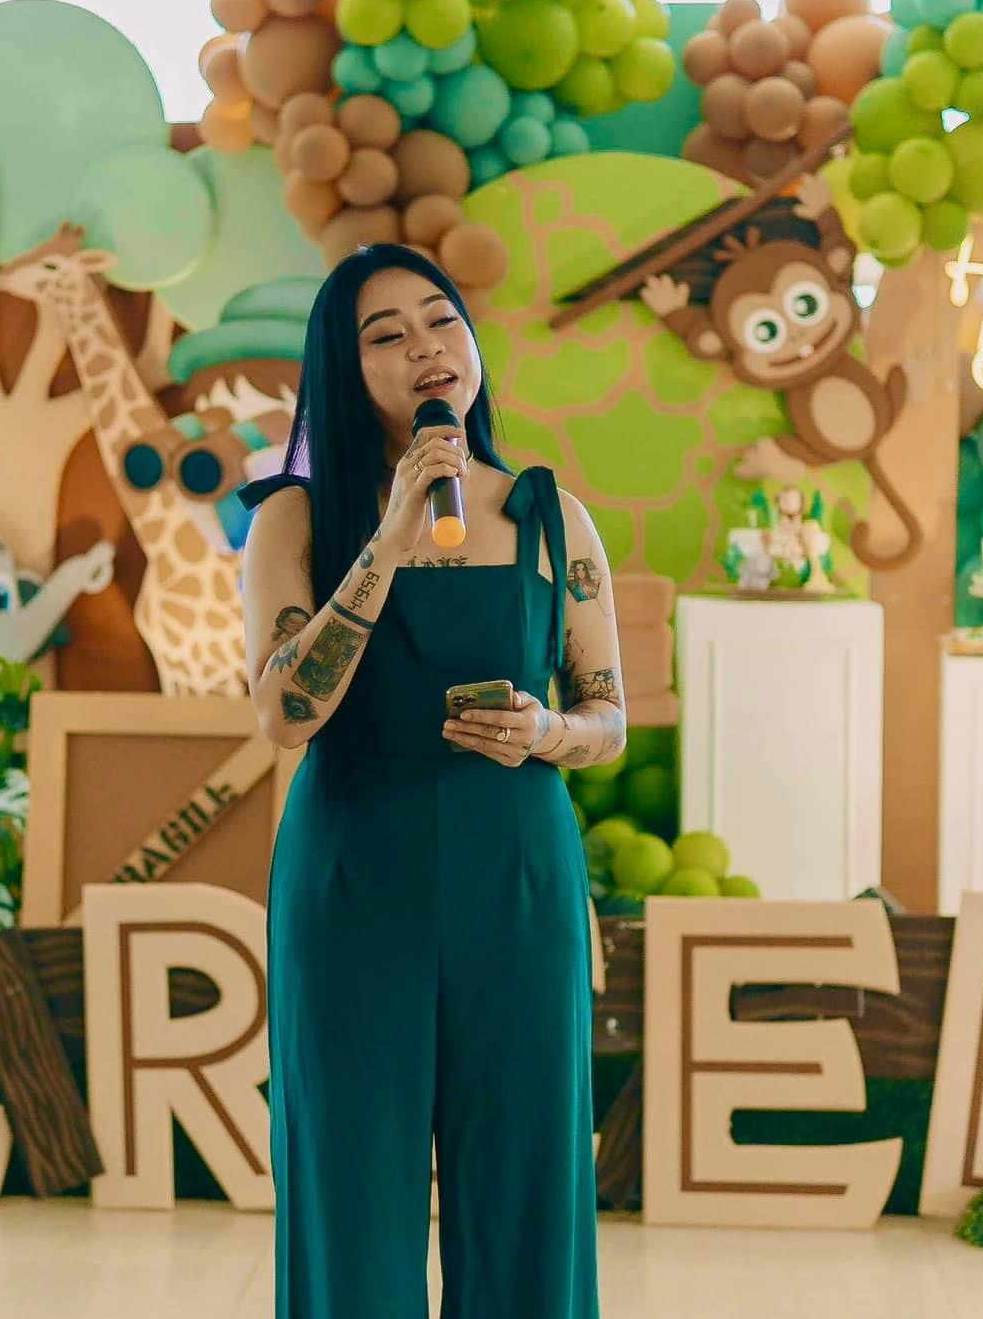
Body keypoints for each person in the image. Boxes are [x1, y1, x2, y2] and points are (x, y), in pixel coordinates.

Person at [238, 243, 625, 1318]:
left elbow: (608, 717)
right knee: (349, 1190)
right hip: (354, 876)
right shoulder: (294, 520)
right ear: (344, 368)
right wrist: (389, 538)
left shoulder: (553, 517)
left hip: (518, 880)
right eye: (386, 334)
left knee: (526, 1187)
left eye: (440, 319)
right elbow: (284, 714)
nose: (425, 348)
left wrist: (546, 729)